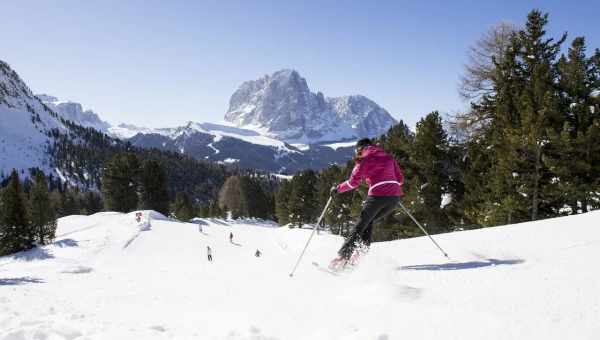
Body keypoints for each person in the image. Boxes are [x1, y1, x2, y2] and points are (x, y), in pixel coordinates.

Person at [329, 138, 404, 269]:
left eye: (357, 151)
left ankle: (343, 258)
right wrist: (388, 183)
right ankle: (358, 256)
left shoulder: (364, 159)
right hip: (395, 197)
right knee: (368, 222)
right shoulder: (388, 157)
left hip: (377, 196)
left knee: (360, 224)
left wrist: (337, 189)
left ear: (360, 149)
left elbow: (353, 182)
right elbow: (400, 179)